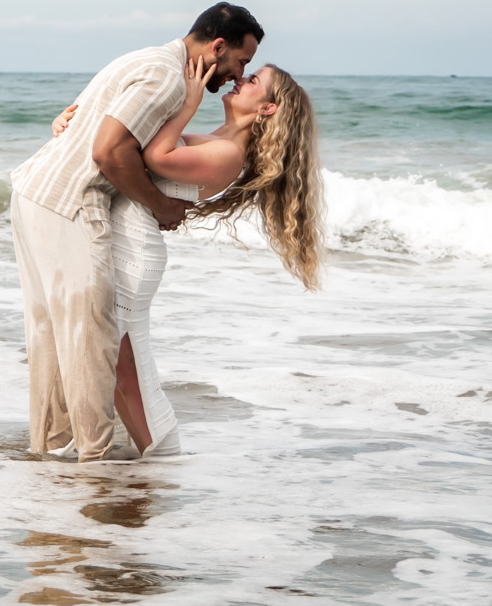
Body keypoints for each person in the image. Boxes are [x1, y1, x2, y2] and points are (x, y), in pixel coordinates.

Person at [8, 2, 264, 462]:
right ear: (218, 46)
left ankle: (51, 460)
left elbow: (115, 132)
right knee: (89, 341)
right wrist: (163, 204)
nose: (237, 75)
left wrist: (70, 121)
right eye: (241, 63)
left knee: (54, 338)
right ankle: (93, 463)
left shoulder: (144, 58)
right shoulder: (167, 78)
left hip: (36, 192)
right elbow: (110, 152)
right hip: (68, 202)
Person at [49, 61, 323, 457]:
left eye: (254, 80)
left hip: (135, 252)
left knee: (122, 366)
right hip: (127, 243)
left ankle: (156, 455)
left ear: (267, 108)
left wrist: (188, 102)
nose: (240, 80)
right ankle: (135, 454)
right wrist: (69, 125)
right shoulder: (218, 139)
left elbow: (157, 157)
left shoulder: (228, 152)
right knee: (115, 362)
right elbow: (132, 149)